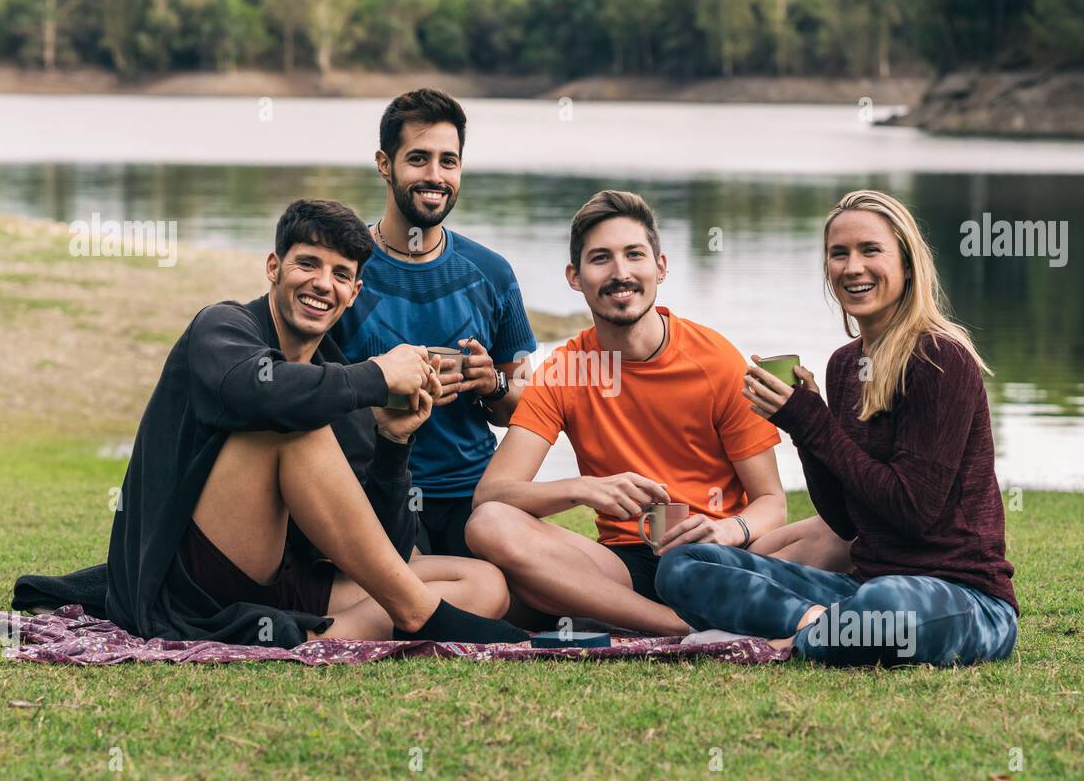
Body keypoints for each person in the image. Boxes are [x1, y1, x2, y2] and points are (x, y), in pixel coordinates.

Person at [16, 198, 526, 647]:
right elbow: (259, 392)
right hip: (190, 579)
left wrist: (393, 443)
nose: (322, 284)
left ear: (354, 292)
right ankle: (416, 616)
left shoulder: (334, 379)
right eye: (308, 264)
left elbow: (385, 556)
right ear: (273, 267)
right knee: (289, 425)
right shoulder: (222, 327)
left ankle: (313, 635)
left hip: (282, 582)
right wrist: (375, 374)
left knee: (483, 584)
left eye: (341, 275)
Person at [655, 190, 1019, 666]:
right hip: (862, 585)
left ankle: (802, 633)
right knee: (683, 566)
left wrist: (812, 421)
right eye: (838, 253)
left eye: (870, 250)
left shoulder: (939, 359)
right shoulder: (846, 366)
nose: (853, 267)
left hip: (963, 601)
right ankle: (820, 626)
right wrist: (803, 428)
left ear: (907, 264)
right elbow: (846, 521)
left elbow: (914, 511)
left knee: (886, 606)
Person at [465, 190, 788, 635]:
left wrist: (729, 531)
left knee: (838, 533)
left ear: (660, 266)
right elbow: (492, 496)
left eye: (634, 255)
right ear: (575, 277)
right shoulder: (567, 369)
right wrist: (584, 489)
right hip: (623, 566)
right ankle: (679, 630)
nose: (620, 274)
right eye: (600, 259)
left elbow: (773, 501)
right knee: (490, 525)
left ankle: (680, 613)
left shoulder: (717, 361)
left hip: (723, 556)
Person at [333, 88, 538, 558]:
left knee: (522, 605)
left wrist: (492, 385)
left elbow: (523, 410)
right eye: (419, 159)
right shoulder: (344, 270)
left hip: (474, 493)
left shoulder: (491, 272)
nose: (435, 176)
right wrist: (381, 388)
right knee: (433, 598)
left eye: (449, 161)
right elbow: (307, 396)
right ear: (385, 164)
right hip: (371, 490)